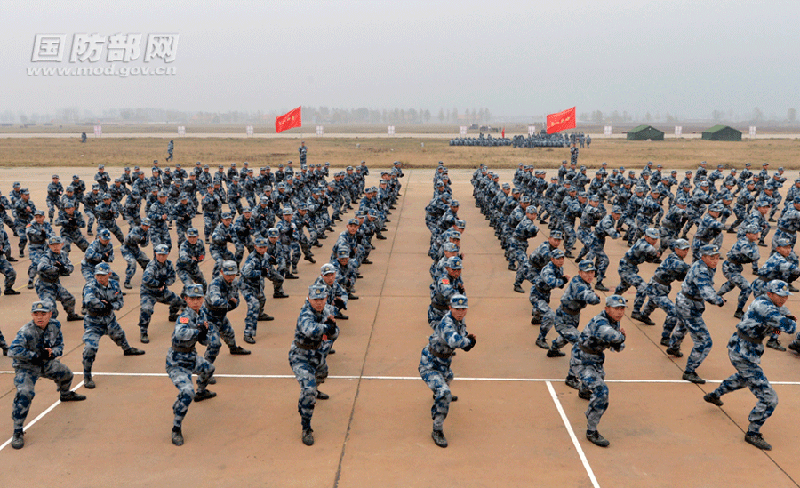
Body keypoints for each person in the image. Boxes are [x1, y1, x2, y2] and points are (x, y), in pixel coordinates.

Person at [704, 280, 796, 451]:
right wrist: (789, 321)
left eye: (786, 296)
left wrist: (782, 323)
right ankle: (753, 433)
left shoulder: (772, 305)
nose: (784, 299)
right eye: (780, 296)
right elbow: (788, 327)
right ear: (770, 294)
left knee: (743, 378)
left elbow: (776, 327)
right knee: (769, 398)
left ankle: (714, 395)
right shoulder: (764, 307)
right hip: (742, 352)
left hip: (748, 350)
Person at [9, 301, 87, 450]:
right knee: (25, 393)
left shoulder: (54, 326)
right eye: (36, 314)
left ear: (50, 314)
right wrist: (34, 355)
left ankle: (65, 394)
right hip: (27, 366)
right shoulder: (26, 331)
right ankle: (17, 431)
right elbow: (13, 351)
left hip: (45, 363)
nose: (39, 317)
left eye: (43, 314)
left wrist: (52, 352)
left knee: (67, 374)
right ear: (32, 315)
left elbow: (60, 346)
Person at [419, 293, 476, 448]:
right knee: (445, 394)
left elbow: (462, 336)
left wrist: (467, 340)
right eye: (457, 309)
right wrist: (468, 342)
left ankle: (437, 394)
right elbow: (454, 340)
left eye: (463, 309)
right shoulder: (447, 323)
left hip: (444, 363)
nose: (460, 312)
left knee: (448, 378)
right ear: (450, 307)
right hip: (430, 364)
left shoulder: (460, 320)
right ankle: (437, 430)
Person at [666, 244, 725, 383]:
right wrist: (718, 300)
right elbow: (707, 292)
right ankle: (689, 371)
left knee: (682, 326)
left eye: (717, 258)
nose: (715, 261)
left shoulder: (705, 266)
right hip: (689, 306)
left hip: (685, 301)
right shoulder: (701, 271)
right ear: (703, 257)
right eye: (712, 258)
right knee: (704, 341)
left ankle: (673, 347)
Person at [574, 295, 627, 447]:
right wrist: (621, 337)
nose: (620, 312)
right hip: (582, 360)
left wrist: (619, 340)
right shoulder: (600, 322)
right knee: (601, 392)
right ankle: (591, 431)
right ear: (607, 309)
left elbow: (618, 346)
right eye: (616, 308)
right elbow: (613, 336)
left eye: (622, 308)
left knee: (598, 379)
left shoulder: (614, 321)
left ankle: (584, 390)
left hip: (596, 359)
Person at [166, 284, 216, 446]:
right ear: (186, 299)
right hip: (177, 362)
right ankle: (176, 428)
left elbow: (203, 340)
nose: (195, 302)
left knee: (209, 369)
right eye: (192, 298)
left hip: (191, 357)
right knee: (188, 392)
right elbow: (181, 333)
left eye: (199, 298)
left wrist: (206, 335)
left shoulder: (201, 314)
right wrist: (198, 330)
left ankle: (201, 392)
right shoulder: (184, 317)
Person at [289, 283, 338, 446]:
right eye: (315, 299)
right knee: (308, 392)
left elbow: (334, 333)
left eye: (321, 299)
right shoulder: (305, 313)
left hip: (317, 354)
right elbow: (311, 330)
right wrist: (327, 327)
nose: (319, 302)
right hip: (300, 356)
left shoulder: (327, 311)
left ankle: (313, 388)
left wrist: (332, 329)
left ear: (326, 298)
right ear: (309, 298)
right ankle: (306, 428)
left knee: (322, 374)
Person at [81, 263, 145, 389]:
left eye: (103, 275)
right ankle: (87, 376)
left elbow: (120, 302)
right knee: (90, 348)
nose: (100, 278)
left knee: (119, 335)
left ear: (109, 274)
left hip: (110, 320)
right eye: (98, 275)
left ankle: (127, 350)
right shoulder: (90, 286)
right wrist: (103, 305)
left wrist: (110, 305)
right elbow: (89, 301)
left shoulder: (114, 285)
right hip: (93, 323)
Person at [138, 244, 184, 344]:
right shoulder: (152, 266)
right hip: (148, 292)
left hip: (161, 291)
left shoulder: (169, 264)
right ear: (155, 254)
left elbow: (172, 277)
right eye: (159, 254)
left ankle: (172, 315)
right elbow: (146, 279)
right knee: (146, 309)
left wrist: (165, 283)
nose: (161, 257)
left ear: (167, 254)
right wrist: (158, 283)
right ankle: (143, 332)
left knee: (178, 301)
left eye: (163, 255)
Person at [35, 236, 83, 321]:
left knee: (70, 299)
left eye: (57, 244)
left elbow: (70, 267)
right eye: (53, 245)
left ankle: (71, 315)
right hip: (44, 286)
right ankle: (50, 323)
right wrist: (55, 268)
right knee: (51, 307)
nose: (55, 247)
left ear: (62, 244)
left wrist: (64, 269)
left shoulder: (63, 254)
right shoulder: (46, 256)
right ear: (49, 246)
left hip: (55, 284)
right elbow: (40, 267)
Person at [121, 219, 151, 289]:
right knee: (132, 263)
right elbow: (131, 237)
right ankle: (127, 282)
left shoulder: (147, 232)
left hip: (135, 249)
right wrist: (140, 238)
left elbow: (144, 245)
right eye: (143, 225)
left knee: (147, 261)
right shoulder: (136, 229)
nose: (145, 227)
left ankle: (146, 278)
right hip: (127, 249)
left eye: (146, 226)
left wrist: (143, 241)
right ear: (141, 224)